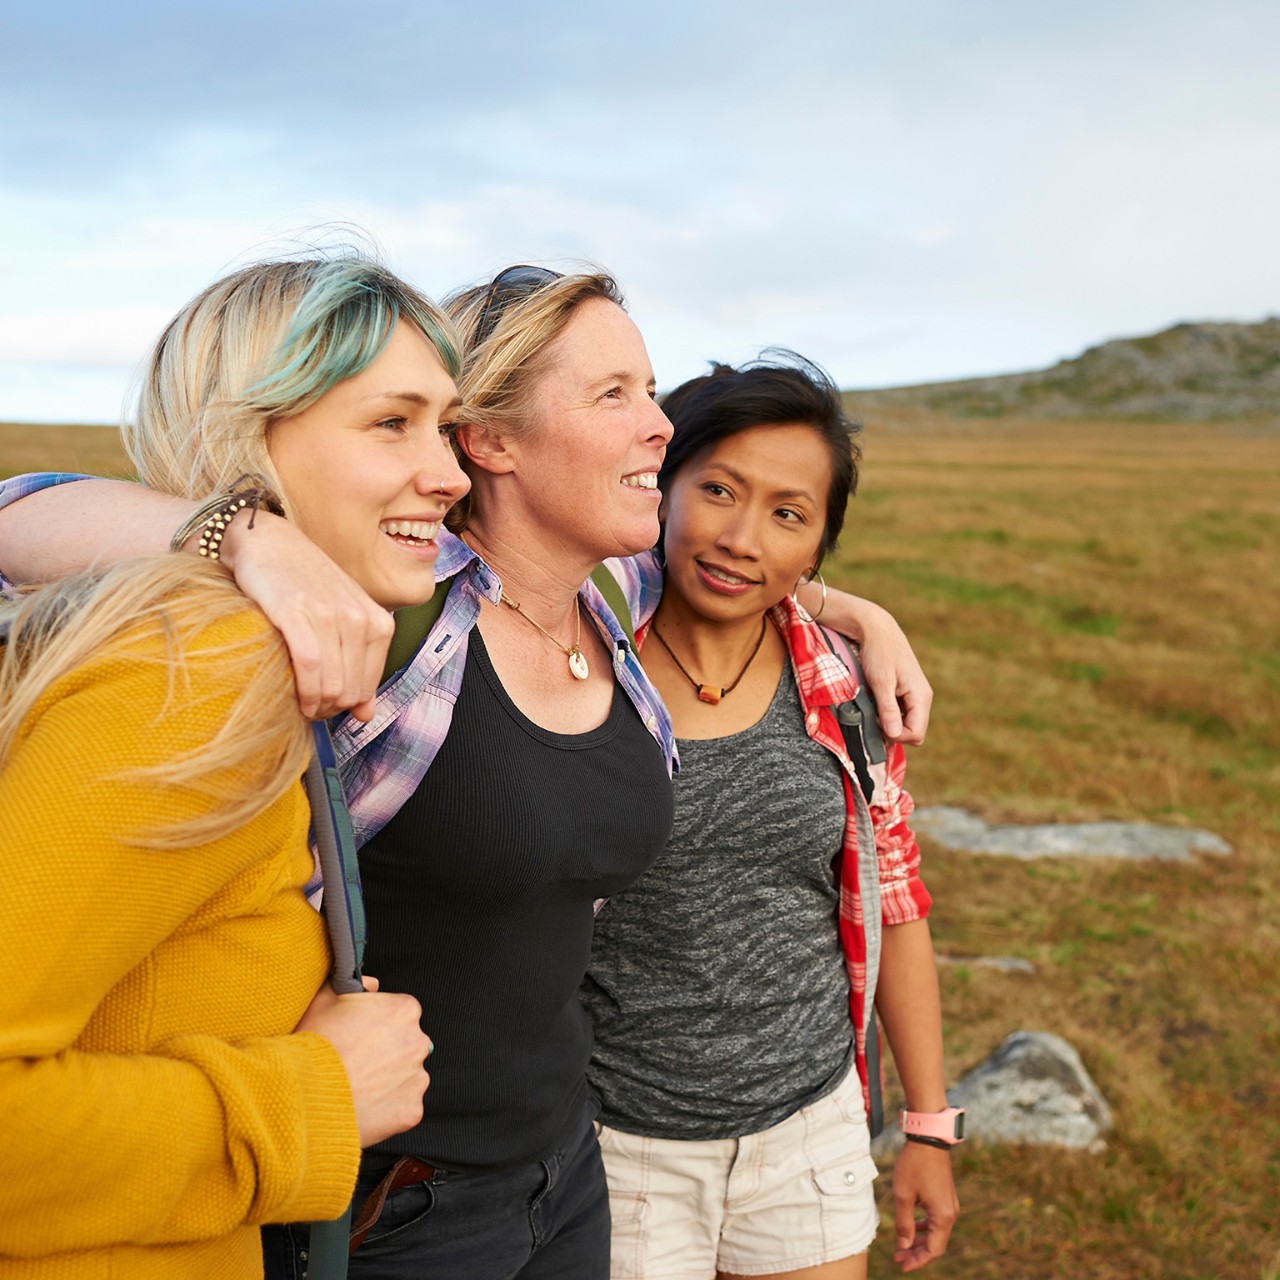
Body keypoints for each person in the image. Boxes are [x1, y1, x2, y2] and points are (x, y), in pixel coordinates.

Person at [0, 264, 933, 1280]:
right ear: (494, 441)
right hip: (393, 1201)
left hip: (561, 1163)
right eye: (613, 392)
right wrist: (245, 532)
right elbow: (19, 512)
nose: (660, 422)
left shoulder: (612, 593)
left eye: (649, 387)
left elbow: (736, 558)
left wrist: (850, 610)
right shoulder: (371, 618)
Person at [0, 254, 456, 1279]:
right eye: (392, 422)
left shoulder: (221, 642)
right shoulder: (202, 669)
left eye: (445, 425)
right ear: (248, 434)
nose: (450, 471)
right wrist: (312, 1101)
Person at [582, 354, 960, 1279]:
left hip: (810, 1135)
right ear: (661, 487)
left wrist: (928, 1127)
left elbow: (897, 903)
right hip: (616, 1144)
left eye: (788, 514)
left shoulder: (843, 686)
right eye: (717, 490)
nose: (742, 538)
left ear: (818, 544)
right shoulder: (574, 659)